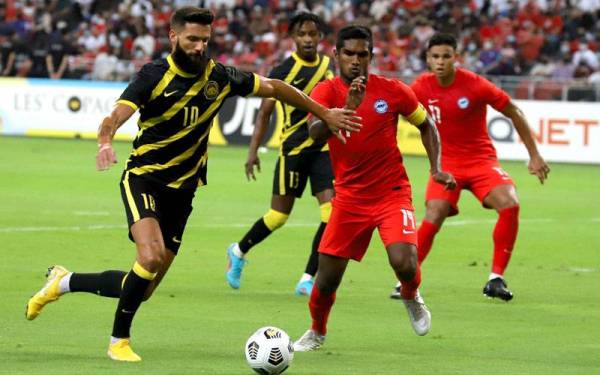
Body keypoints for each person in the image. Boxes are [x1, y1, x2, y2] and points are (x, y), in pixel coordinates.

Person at [24, 7, 360, 362]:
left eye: (205, 39)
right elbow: (115, 116)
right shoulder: (152, 76)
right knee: (149, 257)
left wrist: (324, 112)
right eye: (192, 39)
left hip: (183, 194)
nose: (200, 46)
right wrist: (106, 140)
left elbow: (275, 88)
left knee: (144, 287)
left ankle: (63, 281)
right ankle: (117, 341)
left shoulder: (222, 77)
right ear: (173, 37)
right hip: (144, 179)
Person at [293, 25, 456, 352]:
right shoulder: (326, 93)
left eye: (362, 54)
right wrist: (348, 109)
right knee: (326, 279)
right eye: (349, 54)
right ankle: (317, 331)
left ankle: (410, 294)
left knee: (405, 262)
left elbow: (427, 124)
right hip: (349, 199)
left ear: (371, 56)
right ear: (336, 55)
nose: (356, 60)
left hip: (390, 192)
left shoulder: (393, 90)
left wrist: (436, 167)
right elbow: (313, 134)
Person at [390, 33, 549, 302]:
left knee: (510, 204)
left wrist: (534, 155)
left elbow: (513, 111)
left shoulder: (475, 85)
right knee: (435, 212)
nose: (440, 62)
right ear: (428, 60)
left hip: (480, 161)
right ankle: (406, 280)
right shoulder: (420, 87)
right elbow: (393, 112)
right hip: (445, 164)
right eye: (435, 57)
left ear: (457, 58)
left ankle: (495, 278)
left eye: (446, 56)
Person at [226, 12, 335, 296]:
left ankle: (308, 278)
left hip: (323, 149)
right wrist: (253, 152)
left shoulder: (329, 66)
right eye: (303, 34)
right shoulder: (282, 71)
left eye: (313, 34)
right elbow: (264, 114)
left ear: (320, 37)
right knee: (278, 216)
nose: (309, 39)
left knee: (331, 213)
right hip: (293, 151)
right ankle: (238, 251)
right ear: (293, 38)